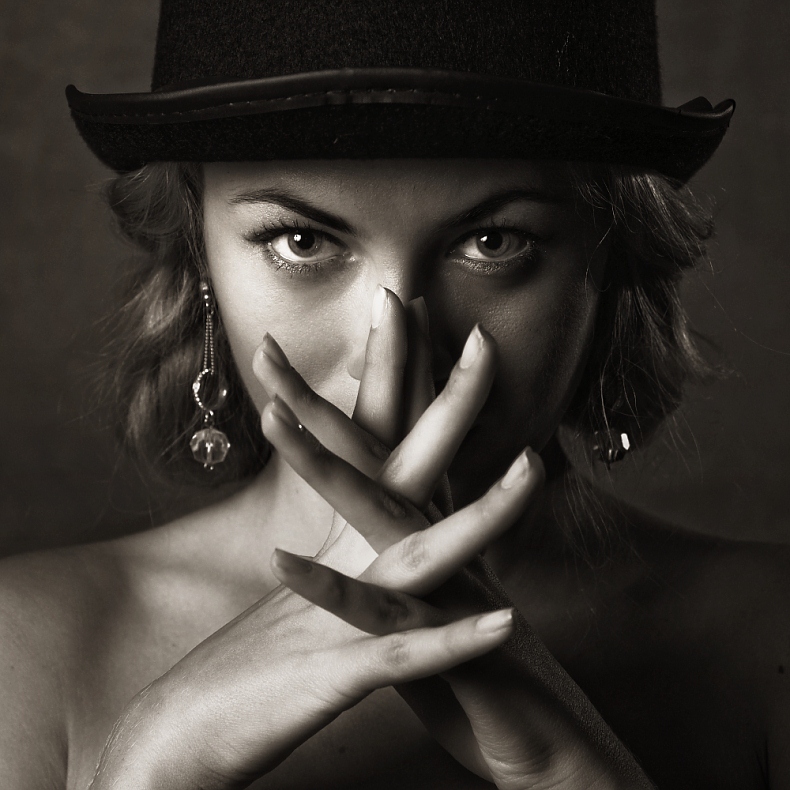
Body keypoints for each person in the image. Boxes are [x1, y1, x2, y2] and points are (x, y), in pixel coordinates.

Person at [1, 1, 788, 788]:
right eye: (301, 241)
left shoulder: (765, 641)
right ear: (198, 251)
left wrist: (573, 770)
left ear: (611, 262)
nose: (392, 347)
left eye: (493, 242)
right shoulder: (25, 650)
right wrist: (148, 764)